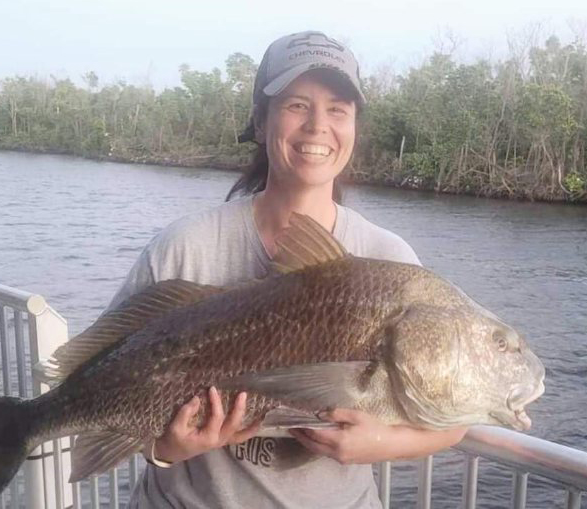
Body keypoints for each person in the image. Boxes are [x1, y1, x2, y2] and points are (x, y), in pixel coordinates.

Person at [107, 30, 467, 509]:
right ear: (261, 121)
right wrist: (165, 450)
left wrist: (376, 444)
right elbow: (108, 377)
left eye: (338, 108)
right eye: (297, 104)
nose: (318, 125)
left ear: (354, 127)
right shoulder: (182, 246)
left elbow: (453, 417)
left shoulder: (390, 262)